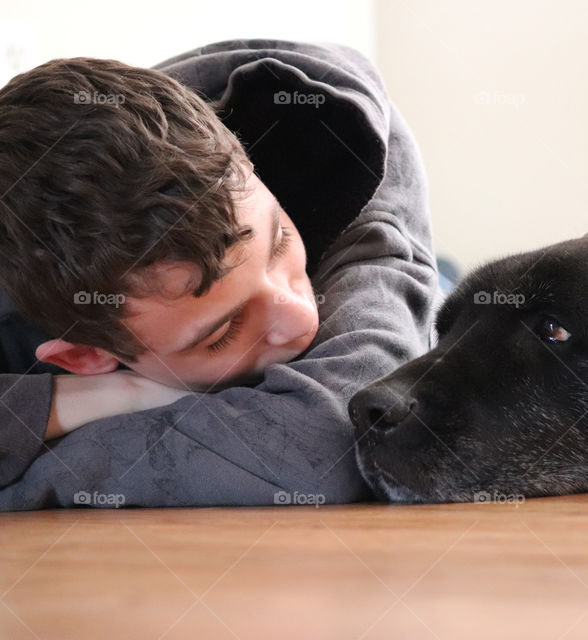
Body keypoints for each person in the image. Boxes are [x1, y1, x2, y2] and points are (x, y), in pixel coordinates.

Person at [0, 39, 441, 509]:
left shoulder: (342, 138)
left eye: (280, 244)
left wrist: (27, 475)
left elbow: (328, 451)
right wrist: (99, 396)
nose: (301, 319)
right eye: (223, 331)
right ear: (85, 357)